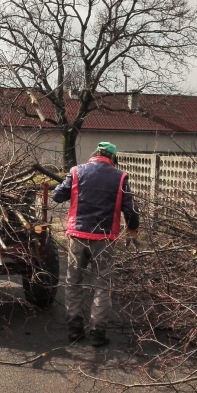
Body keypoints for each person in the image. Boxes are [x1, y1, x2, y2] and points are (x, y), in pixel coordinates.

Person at [51, 142, 140, 347]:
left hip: (78, 236)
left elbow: (57, 196)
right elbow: (132, 211)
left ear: (94, 155)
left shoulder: (76, 171)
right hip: (105, 239)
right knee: (102, 285)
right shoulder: (120, 177)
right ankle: (98, 334)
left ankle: (74, 330)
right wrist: (132, 231)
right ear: (113, 159)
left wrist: (71, 185)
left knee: (73, 282)